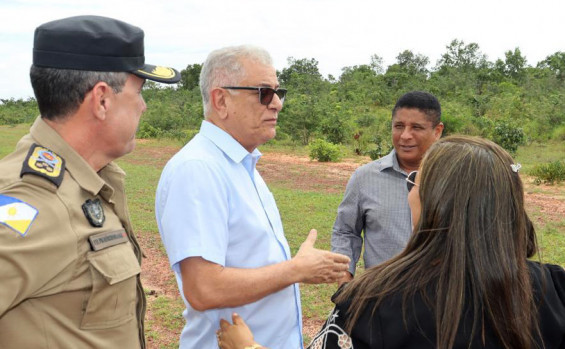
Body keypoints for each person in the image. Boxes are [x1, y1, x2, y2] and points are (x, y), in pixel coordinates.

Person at [216, 135, 565, 348]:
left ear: (432, 203)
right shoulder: (555, 287)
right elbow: (347, 230)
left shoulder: (374, 302)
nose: (409, 188)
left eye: (416, 181)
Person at [0, 15, 180, 348]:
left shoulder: (87, 178)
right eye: (138, 92)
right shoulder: (36, 203)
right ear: (101, 100)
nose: (143, 106)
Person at [155, 45, 350, 349]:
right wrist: (295, 269)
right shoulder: (198, 169)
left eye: (277, 92)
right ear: (221, 100)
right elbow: (203, 288)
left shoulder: (240, 164)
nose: (276, 104)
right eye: (263, 93)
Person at [331, 91, 444, 284]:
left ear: (437, 131)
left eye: (416, 127)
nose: (405, 136)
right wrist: (345, 280)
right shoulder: (364, 177)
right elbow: (345, 231)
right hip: (379, 298)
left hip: (440, 300)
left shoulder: (452, 178)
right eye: (399, 126)